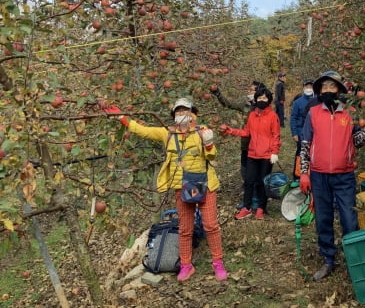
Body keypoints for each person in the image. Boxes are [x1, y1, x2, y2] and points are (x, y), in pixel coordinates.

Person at [102, 97, 228, 283]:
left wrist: (209, 143)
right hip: (181, 186)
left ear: (193, 113)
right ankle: (186, 265)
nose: (182, 115)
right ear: (173, 116)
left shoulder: (201, 132)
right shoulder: (167, 133)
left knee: (210, 225)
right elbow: (142, 130)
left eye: (185, 111)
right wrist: (122, 117)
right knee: (185, 228)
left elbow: (211, 155)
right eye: (178, 112)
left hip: (205, 183)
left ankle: (218, 262)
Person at [299, 71, 365, 281]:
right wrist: (304, 173)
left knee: (349, 219)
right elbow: (305, 144)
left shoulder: (350, 113)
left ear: (339, 90)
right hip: (319, 175)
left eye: (333, 86)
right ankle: (328, 258)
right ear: (320, 91)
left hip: (344, 175)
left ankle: (353, 259)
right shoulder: (313, 114)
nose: (328, 90)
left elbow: (356, 141)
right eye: (325, 87)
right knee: (323, 218)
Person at [219, 87, 281, 220]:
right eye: (259, 98)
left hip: (266, 155)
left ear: (269, 100)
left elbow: (276, 135)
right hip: (252, 153)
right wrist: (230, 130)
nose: (261, 100)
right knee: (248, 181)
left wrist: (274, 152)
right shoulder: (252, 115)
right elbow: (246, 132)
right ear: (255, 99)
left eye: (264, 98)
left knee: (262, 182)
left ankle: (260, 208)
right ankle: (246, 208)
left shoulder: (273, 116)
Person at [211, 80, 266, 210]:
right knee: (245, 173)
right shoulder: (246, 105)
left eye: (251, 90)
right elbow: (229, 104)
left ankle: (257, 199)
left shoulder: (264, 107)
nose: (248, 92)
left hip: (259, 148)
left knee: (257, 175)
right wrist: (217, 93)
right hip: (246, 145)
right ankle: (248, 199)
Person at [290, 79, 314, 179]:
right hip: (301, 132)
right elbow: (293, 118)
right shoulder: (297, 102)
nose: (308, 89)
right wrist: (294, 133)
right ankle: (297, 175)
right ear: (303, 88)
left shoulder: (317, 100)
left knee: (312, 153)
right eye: (306, 87)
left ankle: (311, 174)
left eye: (310, 87)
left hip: (314, 132)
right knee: (300, 154)